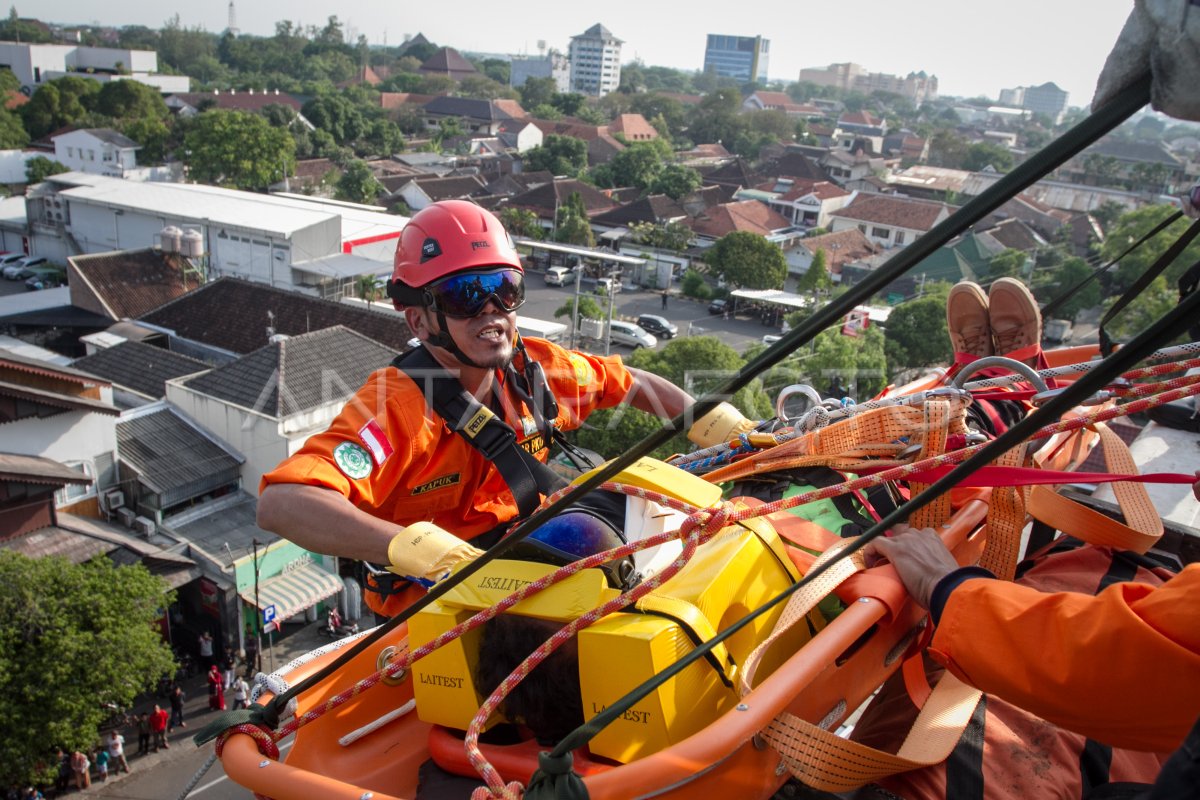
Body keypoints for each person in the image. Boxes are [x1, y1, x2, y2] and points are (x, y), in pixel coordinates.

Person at [258, 200, 750, 618]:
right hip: (438, 603)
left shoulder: (535, 372)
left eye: (505, 288)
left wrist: (730, 432)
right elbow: (283, 503)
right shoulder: (399, 409)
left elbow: (635, 383)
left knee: (655, 502)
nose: (492, 309)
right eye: (466, 296)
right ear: (420, 318)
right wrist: (421, 552)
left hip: (527, 556)